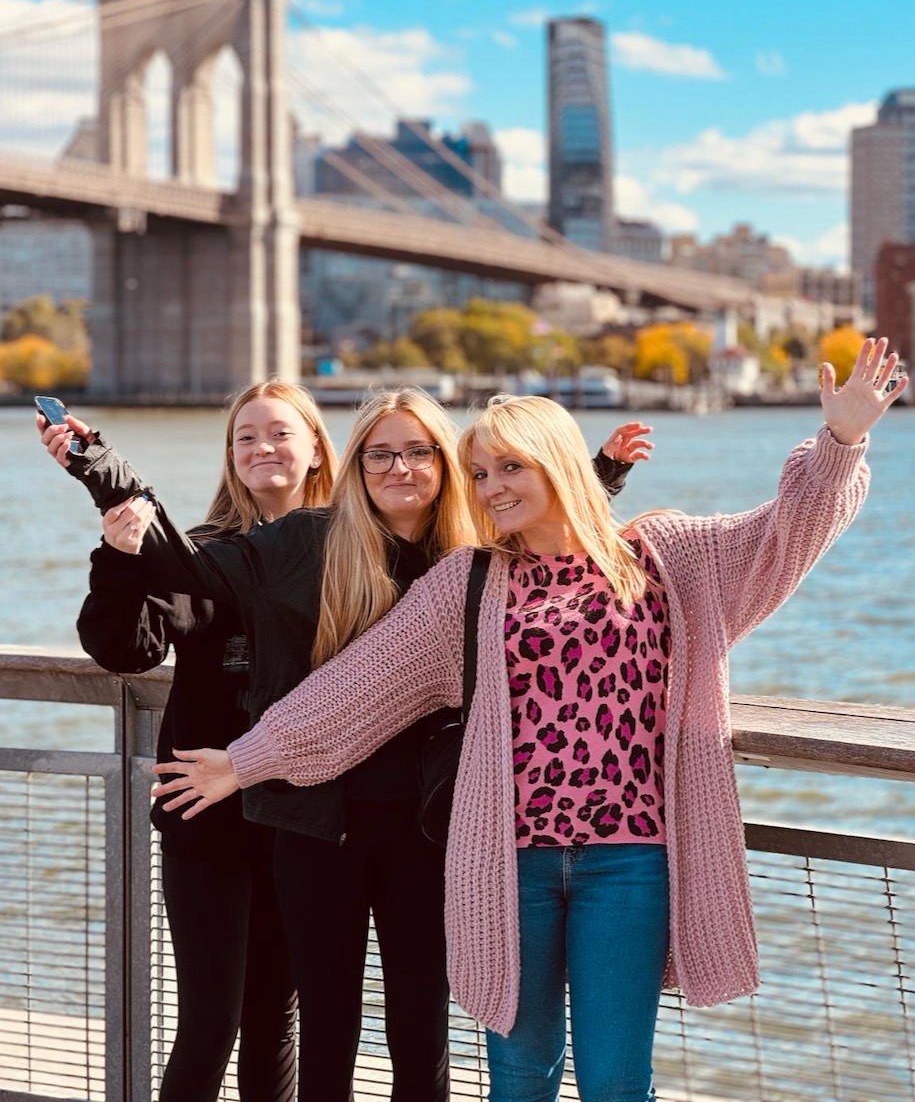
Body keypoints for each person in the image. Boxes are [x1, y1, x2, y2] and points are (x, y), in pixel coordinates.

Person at [150, 338, 905, 1102]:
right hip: (507, 865)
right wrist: (245, 760)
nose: (490, 487)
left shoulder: (670, 558)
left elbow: (788, 533)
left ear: (557, 463)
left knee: (614, 1080)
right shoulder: (471, 581)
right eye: (478, 473)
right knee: (518, 1077)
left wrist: (840, 441)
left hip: (629, 862)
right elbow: (357, 686)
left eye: (509, 467)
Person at [39, 386, 649, 1102]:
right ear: (355, 465)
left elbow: (552, 530)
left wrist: (600, 473)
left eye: (420, 452)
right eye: (381, 454)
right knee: (314, 1031)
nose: (400, 468)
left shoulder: (472, 557)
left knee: (419, 1035)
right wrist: (100, 467)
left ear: (445, 466)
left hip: (427, 826)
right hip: (311, 820)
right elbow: (181, 577)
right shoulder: (305, 540)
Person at [38, 380, 337, 1102]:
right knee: (210, 1019)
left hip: (307, 810)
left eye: (279, 433)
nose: (262, 446)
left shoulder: (348, 547)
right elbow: (127, 652)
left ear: (316, 448)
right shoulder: (193, 552)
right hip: (204, 811)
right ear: (230, 457)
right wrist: (118, 556)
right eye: (245, 437)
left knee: (276, 1018)